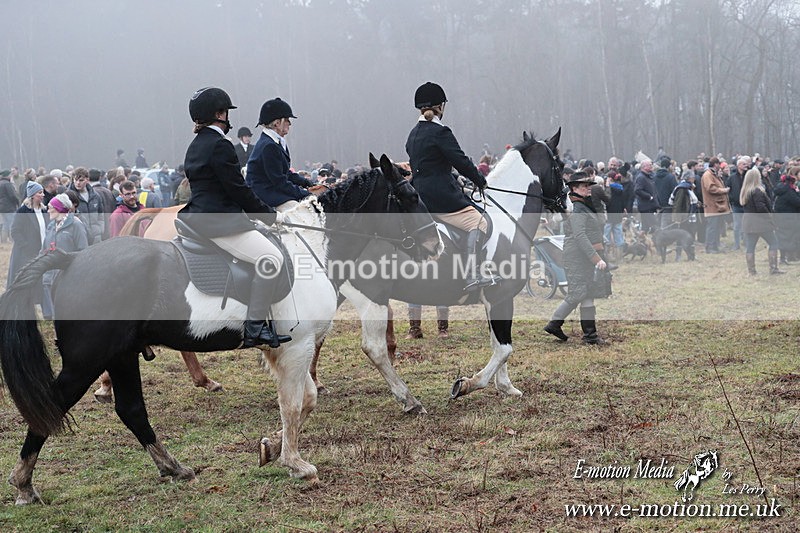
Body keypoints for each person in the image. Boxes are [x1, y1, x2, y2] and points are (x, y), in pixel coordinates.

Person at [177, 86, 290, 348]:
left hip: (199, 218)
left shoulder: (196, 144)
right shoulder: (220, 145)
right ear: (218, 113)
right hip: (219, 223)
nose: (228, 118)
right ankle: (255, 327)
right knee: (271, 258)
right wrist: (269, 216)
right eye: (226, 112)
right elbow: (237, 190)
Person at [405, 81, 495, 291]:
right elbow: (460, 160)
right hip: (442, 197)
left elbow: (430, 164)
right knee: (480, 222)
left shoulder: (413, 134)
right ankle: (472, 274)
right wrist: (480, 180)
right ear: (440, 107)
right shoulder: (440, 132)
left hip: (420, 196)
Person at [543, 172, 608, 345]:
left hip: (582, 257)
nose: (588, 188)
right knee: (578, 292)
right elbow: (580, 236)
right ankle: (554, 324)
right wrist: (596, 259)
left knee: (588, 292)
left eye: (589, 185)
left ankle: (590, 335)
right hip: (578, 257)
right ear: (574, 189)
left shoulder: (583, 206)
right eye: (584, 186)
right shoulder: (578, 209)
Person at [246, 97, 315, 210]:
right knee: (301, 211)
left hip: (272, 191)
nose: (290, 123)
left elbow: (285, 173)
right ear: (277, 123)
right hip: (263, 196)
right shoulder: (268, 146)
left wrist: (308, 184)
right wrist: (307, 194)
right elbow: (280, 182)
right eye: (287, 120)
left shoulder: (275, 142)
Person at [40, 193, 88, 319]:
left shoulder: (76, 225)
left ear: (60, 208)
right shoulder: (51, 225)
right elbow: (44, 249)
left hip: (67, 277)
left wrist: (64, 258)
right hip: (50, 277)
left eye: (51, 207)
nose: (48, 209)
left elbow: (83, 251)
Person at [740, 167, 782, 275]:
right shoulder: (757, 191)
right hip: (760, 222)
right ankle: (773, 268)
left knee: (750, 247)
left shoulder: (745, 191)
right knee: (773, 243)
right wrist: (769, 216)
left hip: (749, 221)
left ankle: (751, 271)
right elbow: (761, 207)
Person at [7, 181, 48, 288]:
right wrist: (26, 246)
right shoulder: (23, 211)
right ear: (32, 195)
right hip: (26, 253)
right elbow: (15, 231)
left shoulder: (44, 210)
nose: (43, 195)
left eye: (43, 192)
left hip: (42, 251)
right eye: (40, 192)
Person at [68, 166, 105, 244]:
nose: (78, 183)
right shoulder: (68, 197)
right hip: (79, 237)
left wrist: (100, 229)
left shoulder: (95, 196)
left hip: (96, 237)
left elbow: (101, 215)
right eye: (75, 180)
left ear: (87, 180)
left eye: (81, 180)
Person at [701, 157, 730, 253]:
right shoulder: (708, 175)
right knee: (712, 228)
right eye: (719, 164)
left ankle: (715, 246)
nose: (720, 167)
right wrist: (724, 190)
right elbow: (711, 188)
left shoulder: (713, 174)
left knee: (716, 228)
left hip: (717, 206)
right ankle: (710, 248)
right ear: (715, 164)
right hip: (712, 206)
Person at [773, 171, 800, 264]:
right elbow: (798, 203)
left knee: (782, 237)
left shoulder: (781, 189)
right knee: (788, 237)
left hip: (780, 217)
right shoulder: (790, 191)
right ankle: (786, 258)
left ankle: (783, 257)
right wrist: (798, 193)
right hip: (788, 218)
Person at [634, 158, 659, 233]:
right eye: (650, 165)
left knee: (646, 227)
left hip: (650, 206)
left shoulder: (648, 176)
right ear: (644, 167)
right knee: (653, 226)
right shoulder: (641, 177)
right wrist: (649, 197)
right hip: (646, 206)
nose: (652, 166)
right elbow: (637, 190)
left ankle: (645, 242)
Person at [0, 169, 19, 243]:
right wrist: (18, 203)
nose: (11, 176)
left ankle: (4, 240)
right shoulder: (7, 184)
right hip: (9, 207)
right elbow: (13, 196)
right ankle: (12, 239)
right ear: (7, 176)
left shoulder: (0, 183)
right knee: (12, 224)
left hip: (2, 207)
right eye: (10, 175)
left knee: (5, 224)